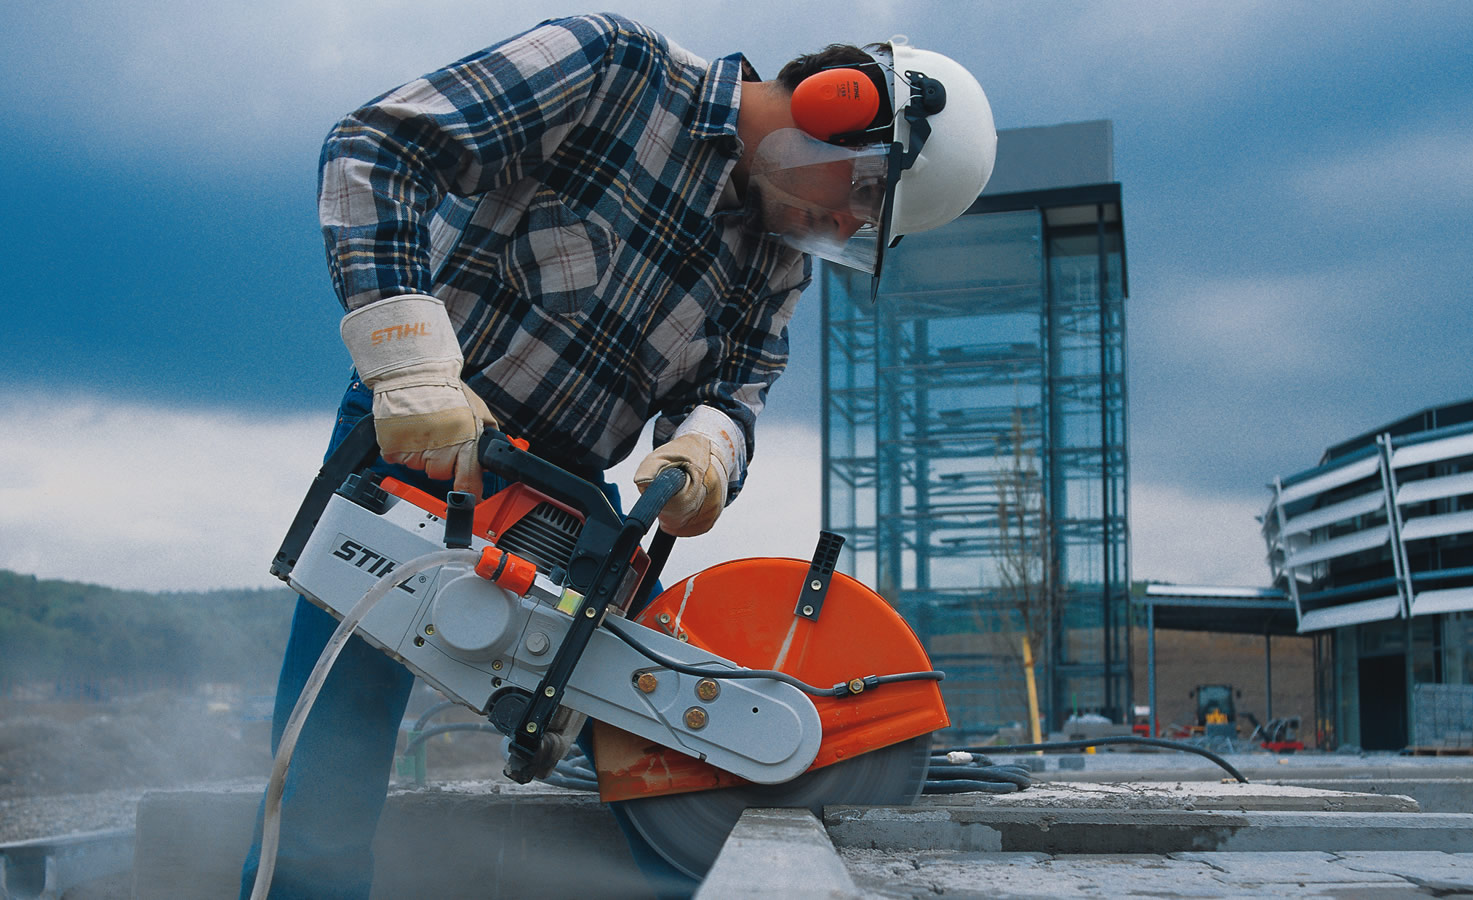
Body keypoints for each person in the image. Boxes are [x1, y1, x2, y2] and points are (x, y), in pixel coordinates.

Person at [240, 13, 995, 899]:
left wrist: (710, 448)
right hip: (428, 436)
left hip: (571, 496)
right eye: (862, 195)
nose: (842, 219)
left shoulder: (776, 256)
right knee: (337, 743)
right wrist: (406, 358)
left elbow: (740, 384)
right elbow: (380, 145)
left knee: (657, 735)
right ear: (841, 104)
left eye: (865, 221)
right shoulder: (613, 68)